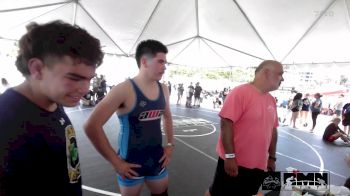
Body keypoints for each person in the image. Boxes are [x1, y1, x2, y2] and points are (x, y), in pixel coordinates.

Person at [0, 20, 103, 195]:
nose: (85, 89)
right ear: (37, 69)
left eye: (89, 79)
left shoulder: (53, 101)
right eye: (74, 78)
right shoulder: (7, 121)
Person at [84, 39, 174, 196]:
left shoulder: (164, 89)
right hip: (130, 164)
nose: (164, 67)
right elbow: (91, 125)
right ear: (144, 61)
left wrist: (170, 145)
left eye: (165, 62)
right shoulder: (123, 90)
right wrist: (116, 162)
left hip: (156, 160)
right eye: (160, 62)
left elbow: (167, 117)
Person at [205, 60, 284, 196]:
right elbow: (226, 124)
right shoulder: (240, 92)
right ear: (266, 72)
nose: (282, 78)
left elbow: (273, 129)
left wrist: (272, 157)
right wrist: (230, 157)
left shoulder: (271, 100)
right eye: (280, 74)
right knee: (217, 193)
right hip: (235, 162)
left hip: (259, 164)